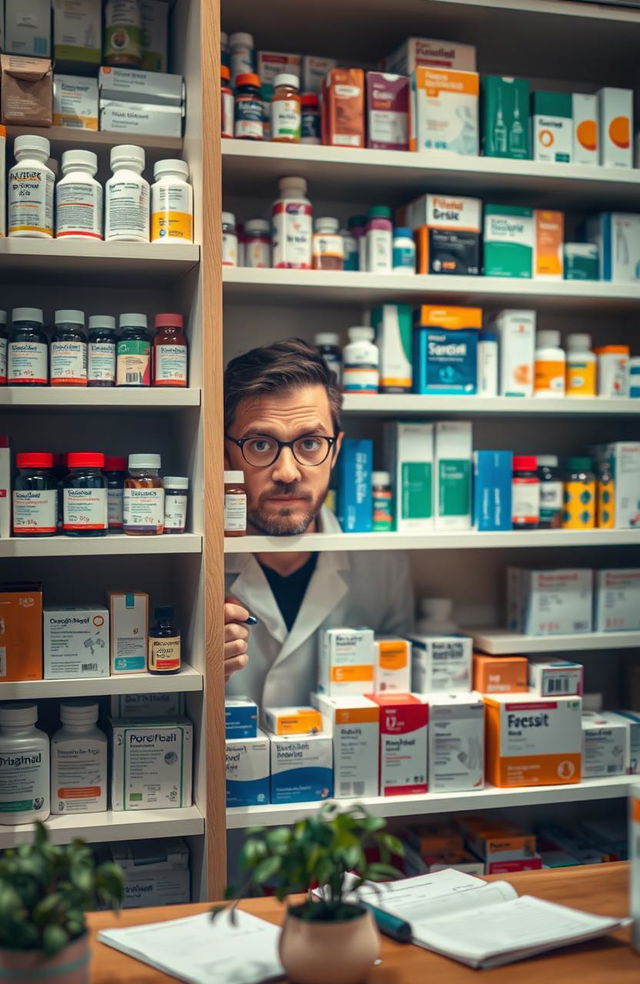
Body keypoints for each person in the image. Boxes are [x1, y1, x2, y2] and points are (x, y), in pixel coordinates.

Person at [223, 338, 414, 707]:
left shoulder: (384, 564)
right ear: (226, 454)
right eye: (260, 445)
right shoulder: (191, 568)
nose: (287, 472)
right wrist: (198, 671)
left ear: (335, 451)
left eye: (309, 443)